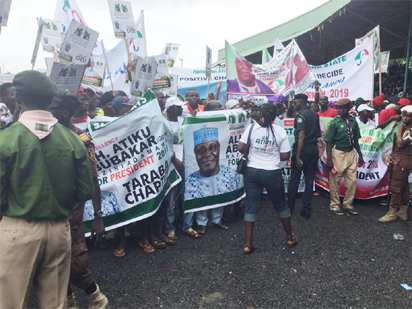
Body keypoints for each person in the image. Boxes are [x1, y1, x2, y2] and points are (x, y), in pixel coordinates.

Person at [0, 70, 94, 308]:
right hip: (59, 230)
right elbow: (84, 190)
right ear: (49, 99)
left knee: (12, 302)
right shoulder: (73, 139)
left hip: (17, 229)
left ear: (19, 98)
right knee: (54, 302)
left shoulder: (6, 139)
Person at [48, 90, 108, 309]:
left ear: (64, 112)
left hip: (72, 208)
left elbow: (93, 180)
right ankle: (69, 300)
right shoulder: (44, 134)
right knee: (54, 258)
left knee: (75, 259)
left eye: (51, 106)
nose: (47, 109)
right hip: (49, 207)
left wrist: (98, 216)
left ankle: (96, 298)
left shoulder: (82, 139)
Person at [238, 103, 296, 255]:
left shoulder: (251, 128)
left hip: (252, 171)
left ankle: (248, 245)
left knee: (251, 206)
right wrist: (271, 153)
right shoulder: (280, 131)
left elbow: (240, 147)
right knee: (281, 205)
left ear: (262, 113)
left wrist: (256, 150)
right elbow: (286, 155)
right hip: (272, 172)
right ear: (276, 114)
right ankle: (290, 238)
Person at [185, 127, 238, 233]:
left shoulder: (230, 174)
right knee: (201, 200)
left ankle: (216, 220)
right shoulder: (190, 182)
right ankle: (201, 223)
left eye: (212, 148)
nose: (207, 154)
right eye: (201, 150)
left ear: (218, 147)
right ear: (195, 153)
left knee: (221, 196)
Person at [323, 98, 364, 215]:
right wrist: (329, 160)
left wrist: (360, 155)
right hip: (338, 152)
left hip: (351, 152)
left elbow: (355, 140)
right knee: (335, 179)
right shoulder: (334, 122)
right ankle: (335, 204)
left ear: (349, 108)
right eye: (339, 108)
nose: (340, 110)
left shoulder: (353, 122)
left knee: (352, 180)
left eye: (343, 108)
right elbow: (328, 142)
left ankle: (348, 203)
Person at [287, 94, 321, 219]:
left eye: (295, 102)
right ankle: (306, 209)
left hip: (303, 149)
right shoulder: (315, 114)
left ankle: (289, 208)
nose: (293, 104)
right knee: (309, 180)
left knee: (294, 179)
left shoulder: (300, 116)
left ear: (301, 102)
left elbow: (301, 136)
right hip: (313, 149)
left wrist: (298, 156)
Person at [378, 105, 412, 222]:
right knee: (403, 186)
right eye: (403, 115)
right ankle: (403, 211)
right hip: (400, 159)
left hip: (403, 161)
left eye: (407, 116)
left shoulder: (409, 129)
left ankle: (392, 212)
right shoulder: (406, 127)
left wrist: (399, 129)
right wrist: (392, 155)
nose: (404, 118)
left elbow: (401, 144)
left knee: (396, 186)